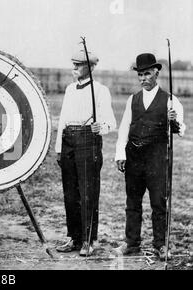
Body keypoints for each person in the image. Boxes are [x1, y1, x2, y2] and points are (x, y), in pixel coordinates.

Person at [115, 53, 186, 260]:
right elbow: (124, 128)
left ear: (156, 73)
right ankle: (131, 242)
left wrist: (172, 120)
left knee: (158, 202)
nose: (142, 79)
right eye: (140, 75)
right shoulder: (132, 99)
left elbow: (180, 130)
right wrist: (121, 153)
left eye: (146, 74)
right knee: (132, 202)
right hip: (134, 156)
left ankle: (160, 245)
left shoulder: (171, 100)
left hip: (157, 157)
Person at [55, 50, 116, 256]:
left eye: (78, 65)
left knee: (88, 192)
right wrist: (58, 148)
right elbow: (63, 119)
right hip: (67, 141)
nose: (74, 68)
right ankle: (74, 237)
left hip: (87, 141)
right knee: (70, 193)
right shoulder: (70, 89)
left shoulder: (100, 90)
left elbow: (111, 122)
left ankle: (88, 240)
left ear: (90, 67)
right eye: (73, 64)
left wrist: (102, 127)